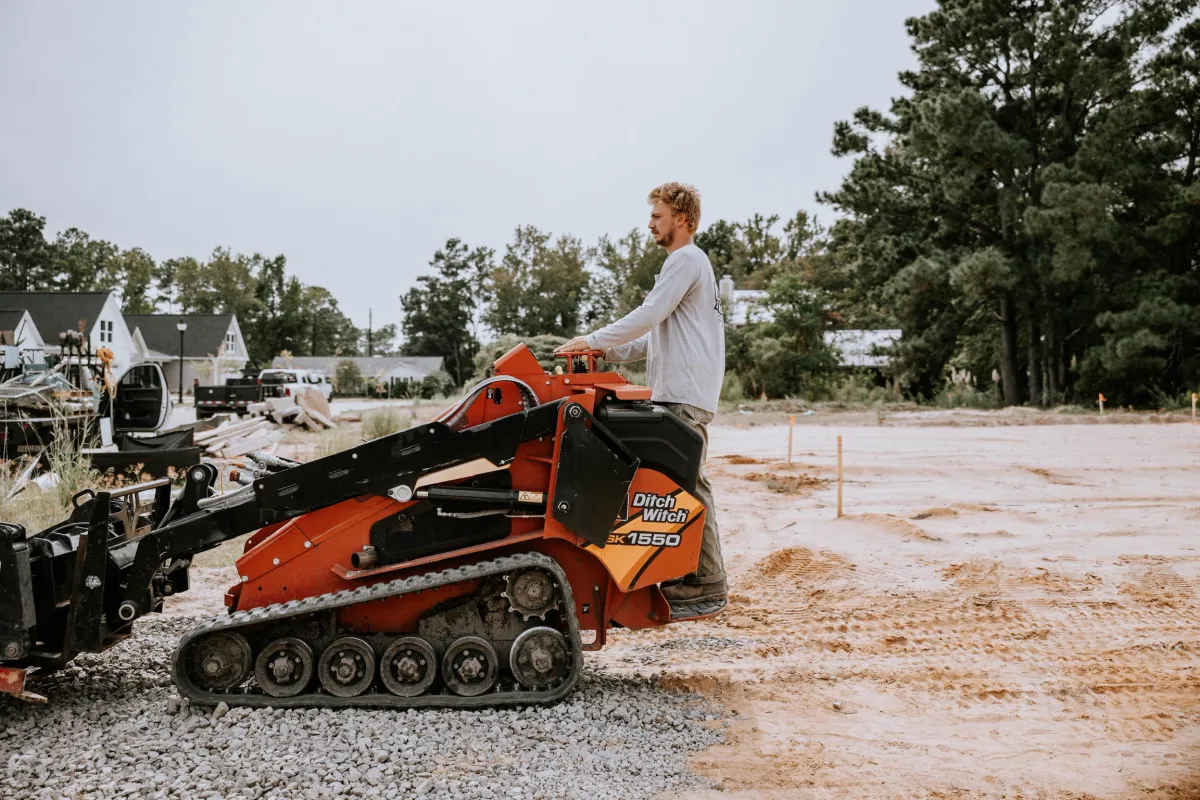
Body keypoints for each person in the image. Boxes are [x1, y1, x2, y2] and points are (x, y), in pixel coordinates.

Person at [555, 181, 727, 618]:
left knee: (687, 486)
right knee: (675, 485)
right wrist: (602, 352)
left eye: (657, 215)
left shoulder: (685, 259)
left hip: (683, 393)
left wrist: (590, 338)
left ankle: (706, 582)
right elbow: (653, 337)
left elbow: (648, 314)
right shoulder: (689, 265)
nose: (649, 223)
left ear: (681, 218)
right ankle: (683, 574)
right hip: (683, 389)